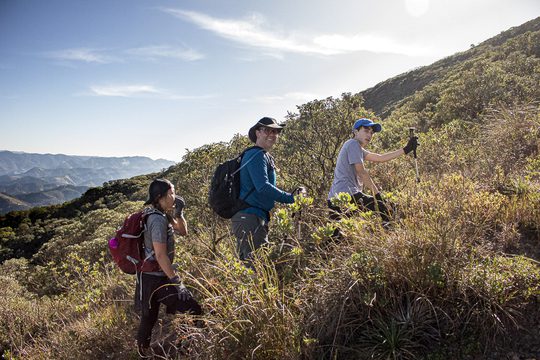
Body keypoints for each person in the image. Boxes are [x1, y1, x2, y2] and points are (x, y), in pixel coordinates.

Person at [136, 178, 202, 356]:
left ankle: (177, 351)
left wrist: (179, 213)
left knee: (149, 318)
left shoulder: (163, 214)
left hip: (154, 276)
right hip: (154, 278)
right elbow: (160, 255)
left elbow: (183, 231)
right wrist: (176, 282)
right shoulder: (157, 220)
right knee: (192, 309)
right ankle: (181, 351)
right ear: (160, 197)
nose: (175, 196)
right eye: (171, 193)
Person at [231, 117, 305, 266]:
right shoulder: (256, 155)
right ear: (257, 133)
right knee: (257, 266)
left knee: (253, 264)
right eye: (267, 130)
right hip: (250, 218)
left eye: (276, 131)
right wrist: (291, 198)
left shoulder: (262, 155)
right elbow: (263, 186)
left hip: (252, 218)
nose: (273, 134)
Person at [328, 118, 418, 223]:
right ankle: (390, 234)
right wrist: (378, 196)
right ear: (356, 132)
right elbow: (362, 172)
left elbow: (380, 158)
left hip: (334, 199)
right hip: (347, 195)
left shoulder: (356, 148)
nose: (369, 135)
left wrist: (406, 149)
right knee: (387, 209)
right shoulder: (353, 144)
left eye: (371, 133)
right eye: (366, 131)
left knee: (337, 237)